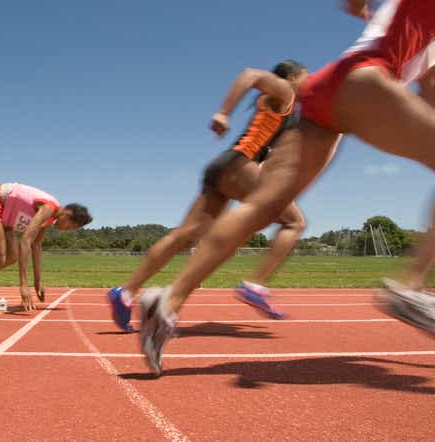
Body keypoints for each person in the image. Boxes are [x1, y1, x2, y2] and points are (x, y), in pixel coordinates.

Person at [139, 0, 435, 375]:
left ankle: (167, 300)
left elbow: (434, 95)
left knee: (265, 205)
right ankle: (412, 285)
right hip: (364, 80)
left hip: (331, 94)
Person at [106, 60, 308, 331]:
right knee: (293, 222)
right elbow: (250, 74)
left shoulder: (280, 104)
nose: (307, 84)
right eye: (305, 78)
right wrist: (224, 112)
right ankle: (255, 285)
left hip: (223, 166)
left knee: (186, 233)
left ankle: (126, 292)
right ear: (293, 76)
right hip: (241, 165)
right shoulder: (285, 91)